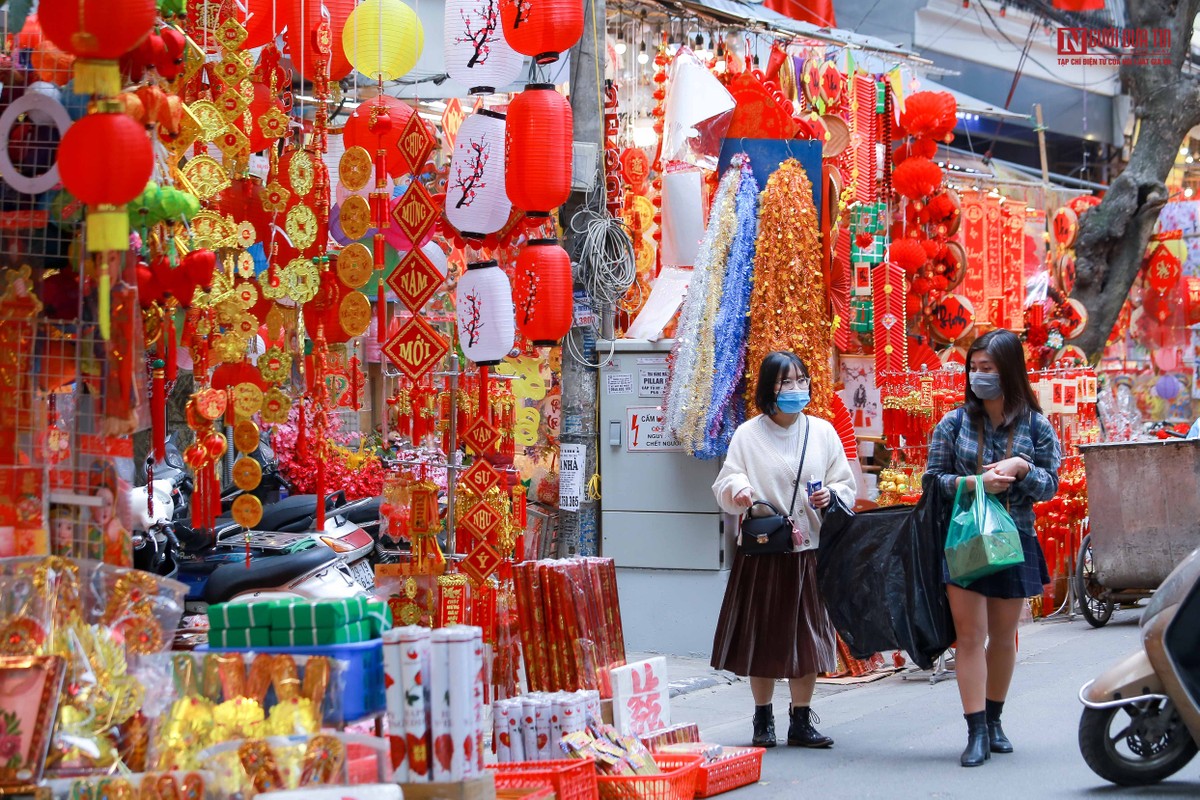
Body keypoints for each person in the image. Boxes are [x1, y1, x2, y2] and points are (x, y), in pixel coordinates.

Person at [925, 329, 1062, 767]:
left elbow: (1051, 486)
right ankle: (976, 730)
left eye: (989, 368)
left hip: (1015, 539)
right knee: (970, 636)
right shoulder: (953, 423)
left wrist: (1023, 468)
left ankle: (997, 719)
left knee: (1003, 637)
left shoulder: (1037, 426)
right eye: (974, 368)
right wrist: (974, 483)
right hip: (965, 538)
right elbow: (931, 484)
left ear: (1010, 371)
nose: (979, 375)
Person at [711, 351, 857, 749]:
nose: (796, 389)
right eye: (785, 382)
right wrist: (738, 491)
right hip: (762, 551)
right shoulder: (747, 434)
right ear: (768, 388)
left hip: (808, 549)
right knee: (763, 636)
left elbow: (845, 483)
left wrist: (833, 495)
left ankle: (800, 719)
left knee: (807, 637)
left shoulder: (823, 432)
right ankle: (763, 720)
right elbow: (726, 480)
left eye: (801, 380)